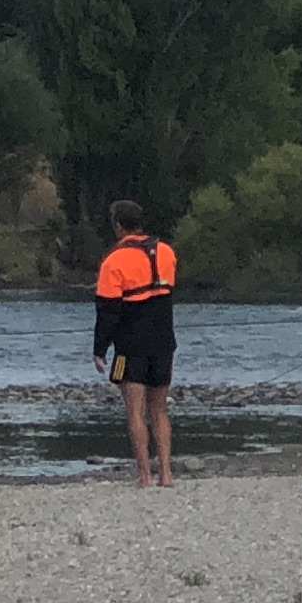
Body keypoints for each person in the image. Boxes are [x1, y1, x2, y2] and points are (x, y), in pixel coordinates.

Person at [92, 199, 180, 488]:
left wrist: (99, 349)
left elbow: (107, 312)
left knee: (135, 411)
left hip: (130, 344)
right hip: (164, 340)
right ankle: (166, 474)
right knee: (159, 409)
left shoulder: (113, 261)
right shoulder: (166, 252)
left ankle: (144, 476)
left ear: (118, 226)